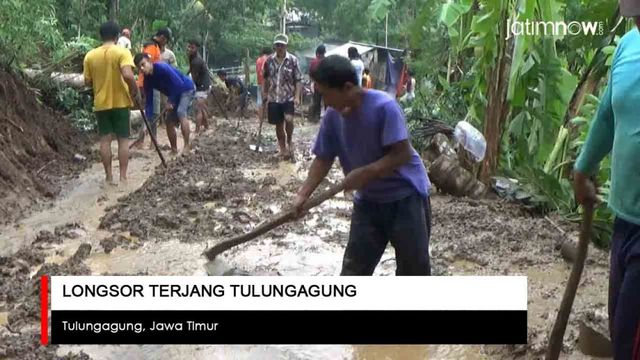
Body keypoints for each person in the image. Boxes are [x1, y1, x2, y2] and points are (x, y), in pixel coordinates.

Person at [294, 55, 432, 276]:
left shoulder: (385, 107)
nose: (325, 102)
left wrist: (365, 173)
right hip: (368, 202)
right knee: (353, 272)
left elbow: (401, 154)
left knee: (413, 272)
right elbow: (323, 158)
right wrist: (303, 195)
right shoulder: (332, 117)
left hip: (406, 199)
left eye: (327, 95)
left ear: (347, 87)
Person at [573, 5, 640, 358]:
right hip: (625, 223)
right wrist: (583, 168)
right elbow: (608, 115)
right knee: (621, 333)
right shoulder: (628, 46)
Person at [83, 22, 140, 186]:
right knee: (123, 140)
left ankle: (108, 177)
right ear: (117, 36)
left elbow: (87, 81)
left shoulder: (90, 56)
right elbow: (128, 75)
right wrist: (135, 90)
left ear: (100, 36)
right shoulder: (122, 52)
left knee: (105, 141)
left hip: (101, 103)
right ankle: (123, 177)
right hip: (121, 102)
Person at [134, 53, 194, 155]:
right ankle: (174, 149)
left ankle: (187, 146)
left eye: (143, 64)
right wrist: (148, 122)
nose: (142, 69)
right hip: (174, 94)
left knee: (181, 112)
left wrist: (170, 101)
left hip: (186, 89)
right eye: (140, 67)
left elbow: (179, 84)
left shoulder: (162, 67)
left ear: (149, 61)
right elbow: (149, 102)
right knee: (168, 121)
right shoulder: (147, 80)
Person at [263, 34, 302, 160]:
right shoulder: (269, 61)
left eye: (282, 45)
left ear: (286, 46)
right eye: (277, 45)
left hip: (288, 97)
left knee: (289, 120)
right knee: (278, 125)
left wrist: (297, 97)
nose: (279, 48)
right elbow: (266, 78)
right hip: (274, 97)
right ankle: (282, 148)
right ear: (275, 46)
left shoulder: (293, 60)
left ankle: (290, 140)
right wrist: (265, 93)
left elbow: (298, 80)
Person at [134, 28, 170, 148]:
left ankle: (150, 141)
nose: (165, 44)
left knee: (152, 113)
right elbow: (145, 65)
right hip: (149, 84)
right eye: (166, 41)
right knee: (152, 113)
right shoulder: (151, 47)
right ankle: (146, 141)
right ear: (162, 38)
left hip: (151, 84)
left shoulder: (154, 46)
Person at [187, 39, 211, 132]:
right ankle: (207, 127)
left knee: (198, 110)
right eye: (189, 47)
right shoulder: (194, 58)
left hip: (201, 87)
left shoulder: (196, 61)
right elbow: (191, 71)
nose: (189, 49)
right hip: (204, 85)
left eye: (192, 47)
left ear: (196, 48)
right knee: (202, 107)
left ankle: (197, 130)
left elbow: (193, 77)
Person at [308, 44, 326, 122]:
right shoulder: (327, 61)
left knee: (317, 102)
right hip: (327, 86)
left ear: (317, 52)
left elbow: (311, 74)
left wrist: (312, 82)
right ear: (324, 52)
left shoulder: (313, 62)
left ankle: (316, 118)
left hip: (317, 85)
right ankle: (327, 118)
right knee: (327, 103)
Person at [255, 47, 272, 126]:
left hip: (259, 82)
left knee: (259, 101)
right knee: (269, 100)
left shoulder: (258, 60)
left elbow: (258, 71)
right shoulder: (268, 59)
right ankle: (269, 118)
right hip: (266, 83)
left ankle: (260, 119)